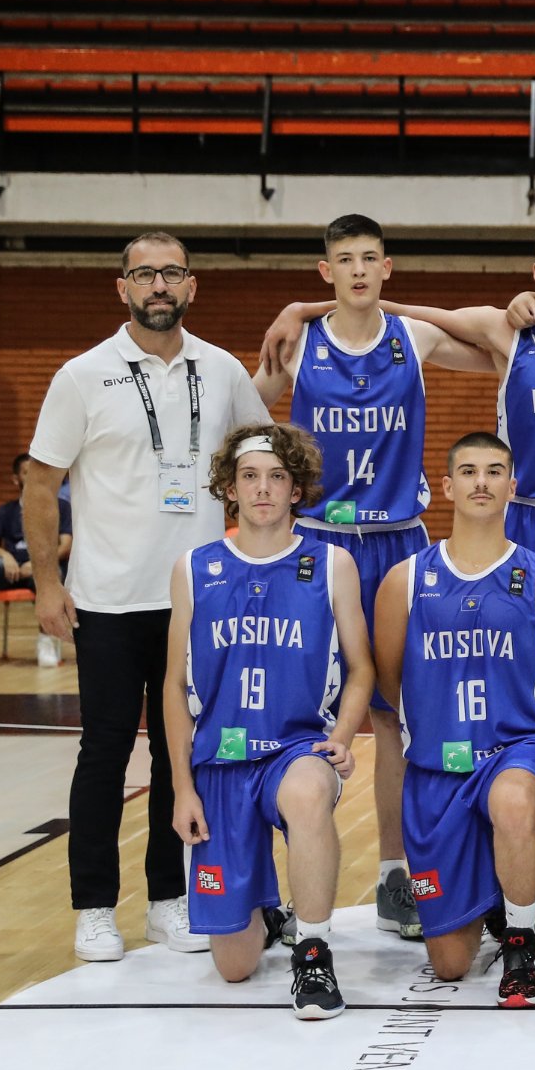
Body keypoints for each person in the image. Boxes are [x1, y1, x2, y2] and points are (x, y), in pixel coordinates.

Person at [271, 220, 535, 933]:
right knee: (519, 700)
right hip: (530, 520)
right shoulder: (506, 331)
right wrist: (303, 308)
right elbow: (404, 310)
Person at [28, 232, 271, 962]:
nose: (158, 285)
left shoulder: (223, 370)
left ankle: (170, 899)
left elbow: (264, 459)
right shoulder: (82, 375)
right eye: (144, 274)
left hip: (196, 601)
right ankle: (95, 908)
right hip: (105, 598)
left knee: (180, 756)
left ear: (192, 285)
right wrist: (47, 582)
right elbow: (41, 483)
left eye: (171, 273)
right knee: (103, 754)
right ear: (122, 287)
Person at [253, 213, 496, 944]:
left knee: (395, 718)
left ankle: (395, 873)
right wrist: (296, 315)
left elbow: (496, 345)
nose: (357, 270)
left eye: (369, 259)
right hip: (318, 545)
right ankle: (271, 887)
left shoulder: (412, 337)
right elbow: (242, 401)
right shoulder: (300, 344)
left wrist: (355, 306)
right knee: (291, 713)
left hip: (397, 544)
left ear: (386, 267)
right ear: (325, 269)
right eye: (344, 260)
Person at [161, 423, 374, 1019]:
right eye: (250, 477)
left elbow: (362, 668)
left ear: (295, 490)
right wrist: (182, 788)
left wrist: (340, 738)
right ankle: (265, 907)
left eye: (277, 477)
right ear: (229, 489)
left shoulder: (331, 564)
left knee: (307, 795)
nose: (263, 489)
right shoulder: (195, 568)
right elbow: (174, 687)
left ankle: (313, 953)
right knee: (234, 965)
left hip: (296, 748)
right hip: (221, 761)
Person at [371, 432, 535, 1008]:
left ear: (513, 487)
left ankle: (521, 943)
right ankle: (496, 888)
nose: (481, 482)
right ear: (446, 486)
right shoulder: (404, 580)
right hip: (436, 767)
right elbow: (390, 681)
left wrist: (523, 727)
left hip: (516, 747)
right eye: (468, 471)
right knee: (450, 966)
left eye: (493, 471)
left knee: (513, 802)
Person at [0, 453, 71, 670]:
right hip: (11, 568)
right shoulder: (6, 510)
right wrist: (5, 556)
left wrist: (38, 565)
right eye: (27, 473)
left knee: (52, 572)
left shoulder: (62, 507)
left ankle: (46, 640)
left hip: (41, 568)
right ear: (16, 479)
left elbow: (65, 546)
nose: (33, 477)